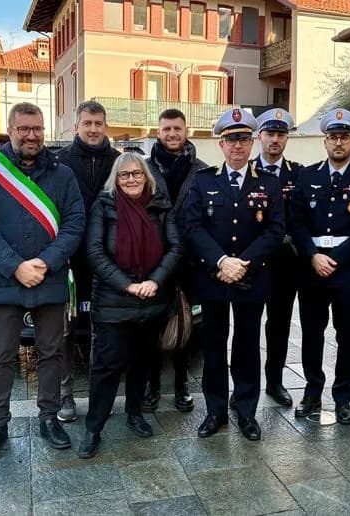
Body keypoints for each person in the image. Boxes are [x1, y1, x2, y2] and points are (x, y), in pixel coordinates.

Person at [0, 102, 85, 458]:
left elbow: (75, 222)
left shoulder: (62, 174)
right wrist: (16, 265)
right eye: (24, 129)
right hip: (5, 281)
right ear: (11, 129)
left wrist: (45, 262)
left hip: (49, 279)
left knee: (52, 353)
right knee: (2, 356)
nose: (31, 135)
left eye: (37, 129)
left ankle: (48, 417)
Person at [185, 108, 284, 441]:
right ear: (221, 145)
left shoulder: (268, 183)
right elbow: (193, 227)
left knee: (246, 345)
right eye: (231, 140)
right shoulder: (204, 180)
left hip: (251, 277)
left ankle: (245, 410)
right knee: (213, 347)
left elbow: (275, 231)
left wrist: (242, 263)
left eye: (243, 139)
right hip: (214, 278)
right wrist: (221, 261)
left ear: (252, 141)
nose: (237, 146)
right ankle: (214, 411)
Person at [78, 152, 182, 458]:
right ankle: (93, 427)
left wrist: (155, 281)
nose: (132, 179)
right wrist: (127, 284)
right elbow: (95, 252)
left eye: (137, 173)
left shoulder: (161, 206)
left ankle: (135, 413)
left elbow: (176, 247)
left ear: (146, 176)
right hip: (113, 302)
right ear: (116, 179)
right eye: (124, 175)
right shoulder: (104, 206)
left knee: (143, 362)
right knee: (106, 367)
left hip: (152, 300)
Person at [289, 108, 350, 424]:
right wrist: (313, 255)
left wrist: (338, 259)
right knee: (312, 335)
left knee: (348, 335)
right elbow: (296, 221)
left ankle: (343, 397)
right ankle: (312, 392)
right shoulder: (307, 175)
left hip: (347, 271)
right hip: (311, 269)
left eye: (344, 137)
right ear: (325, 141)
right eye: (333, 137)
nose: (338, 143)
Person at [55, 100, 121, 422]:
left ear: (104, 125)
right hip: (70, 262)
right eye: (87, 123)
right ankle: (65, 393)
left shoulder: (120, 162)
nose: (93, 129)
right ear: (76, 126)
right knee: (66, 330)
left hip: (109, 262)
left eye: (98, 123)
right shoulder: (60, 162)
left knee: (105, 328)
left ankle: (100, 392)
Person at [143, 108, 208, 413]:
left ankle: (181, 384)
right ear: (158, 132)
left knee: (185, 326)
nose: (172, 134)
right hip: (152, 263)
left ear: (187, 131)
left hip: (189, 264)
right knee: (152, 325)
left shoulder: (203, 171)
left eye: (177, 128)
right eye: (166, 128)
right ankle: (152, 384)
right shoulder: (142, 169)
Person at [249, 108, 302, 407]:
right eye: (270, 133)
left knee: (279, 326)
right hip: (255, 264)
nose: (275, 140)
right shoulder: (246, 171)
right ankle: (247, 385)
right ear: (260, 136)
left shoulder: (298, 173)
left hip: (286, 264)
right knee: (248, 327)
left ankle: (275, 381)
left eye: (281, 135)